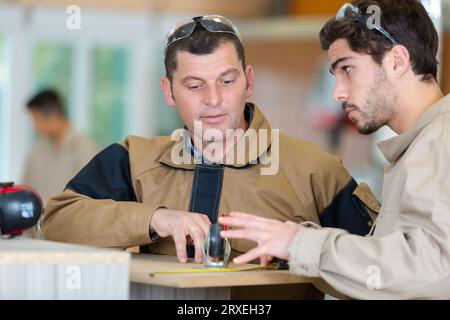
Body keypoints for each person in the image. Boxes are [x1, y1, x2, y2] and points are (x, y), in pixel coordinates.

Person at [42, 15, 378, 298]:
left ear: (248, 82)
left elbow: (378, 275)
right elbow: (57, 223)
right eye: (194, 85)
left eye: (227, 81)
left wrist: (302, 244)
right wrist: (154, 219)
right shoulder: (133, 160)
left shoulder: (315, 170)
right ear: (168, 91)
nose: (214, 99)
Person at [220, 0, 450, 299]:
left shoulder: (440, 142)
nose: (337, 92)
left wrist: (301, 244)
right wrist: (296, 242)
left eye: (348, 70)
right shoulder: (421, 145)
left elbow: (435, 271)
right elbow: (389, 279)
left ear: (397, 61)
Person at [22, 89, 97, 238]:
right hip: (37, 238)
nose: (34, 126)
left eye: (36, 118)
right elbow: (25, 193)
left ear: (54, 115)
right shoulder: (36, 151)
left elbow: (91, 204)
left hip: (71, 239)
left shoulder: (85, 150)